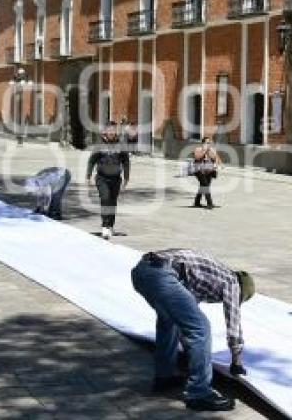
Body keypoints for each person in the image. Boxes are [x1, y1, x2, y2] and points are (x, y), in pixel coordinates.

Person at [130, 248, 255, 412]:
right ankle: (199, 393)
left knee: (169, 322)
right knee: (201, 329)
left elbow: (186, 319)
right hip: (162, 275)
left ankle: (164, 377)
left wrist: (192, 348)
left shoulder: (212, 276)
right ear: (241, 291)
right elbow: (233, 325)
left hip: (143, 270)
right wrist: (236, 361)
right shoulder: (233, 283)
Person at [86, 122, 130, 239]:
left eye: (113, 130)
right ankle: (105, 226)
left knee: (112, 202)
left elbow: (126, 162)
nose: (111, 132)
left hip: (116, 179)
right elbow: (92, 161)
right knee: (105, 199)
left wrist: (126, 178)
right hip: (102, 178)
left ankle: (110, 225)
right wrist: (88, 176)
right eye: (109, 130)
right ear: (105, 131)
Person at [191, 137, 222, 209]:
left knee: (203, 186)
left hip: (209, 171)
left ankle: (197, 202)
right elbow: (197, 157)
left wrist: (216, 163)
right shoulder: (198, 149)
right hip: (199, 171)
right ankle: (210, 203)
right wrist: (204, 151)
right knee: (205, 187)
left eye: (209, 143)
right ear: (203, 143)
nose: (208, 144)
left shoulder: (212, 150)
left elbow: (217, 159)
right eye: (207, 143)